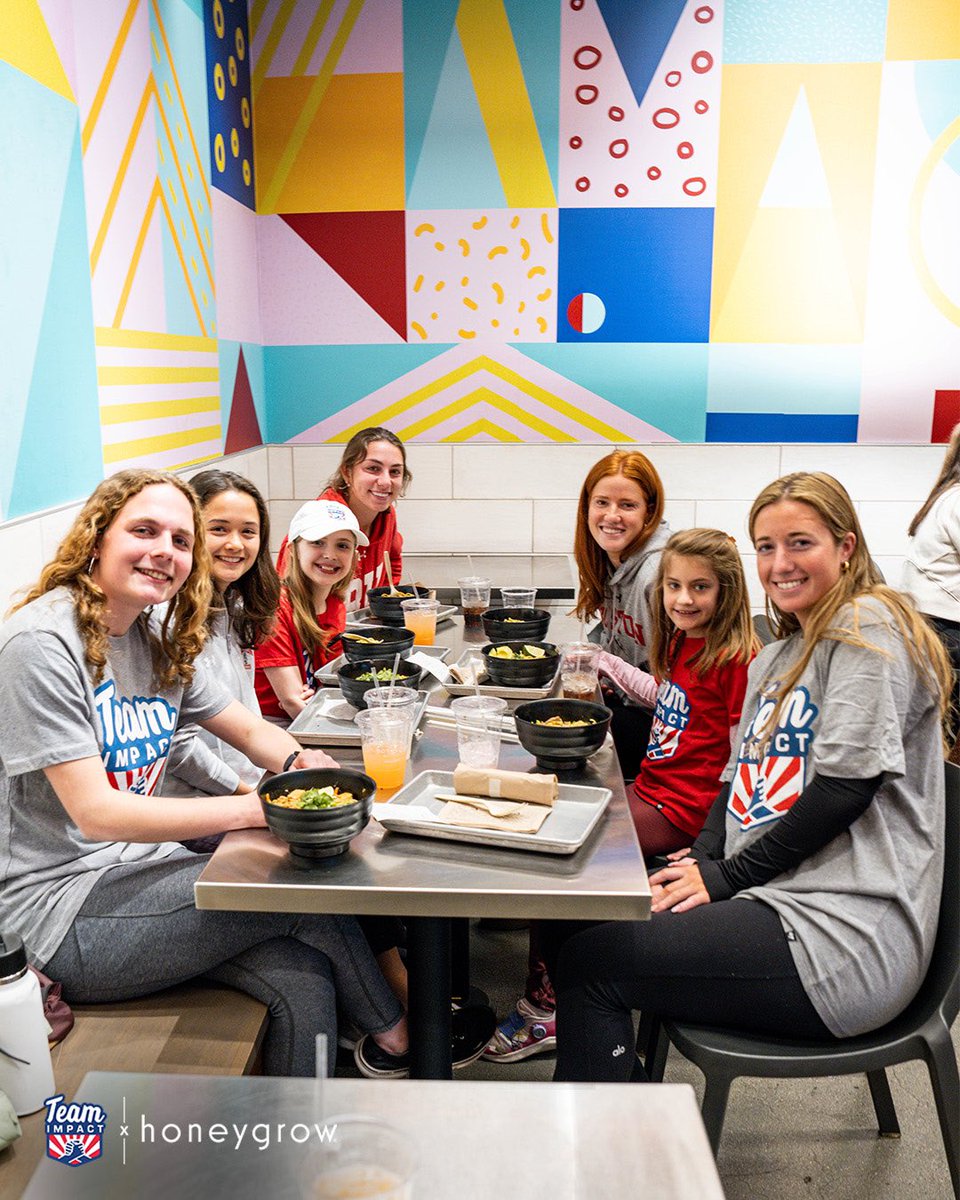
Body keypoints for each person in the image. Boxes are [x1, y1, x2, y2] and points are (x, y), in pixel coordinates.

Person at [0, 469, 408, 1076]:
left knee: (304, 975)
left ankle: (296, 1150)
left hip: (137, 876)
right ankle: (407, 1039)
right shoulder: (41, 643)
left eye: (180, 540)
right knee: (302, 895)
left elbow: (246, 729)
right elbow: (99, 812)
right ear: (97, 537)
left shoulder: (151, 636)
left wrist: (306, 768)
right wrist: (261, 808)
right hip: (59, 914)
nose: (165, 551)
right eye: (144, 530)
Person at [553, 471, 952, 1082]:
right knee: (579, 911)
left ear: (846, 547)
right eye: (766, 546)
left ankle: (605, 1149)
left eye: (800, 542)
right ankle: (624, 1103)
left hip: (841, 936)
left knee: (590, 962)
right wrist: (705, 859)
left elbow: (847, 787)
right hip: (776, 897)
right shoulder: (778, 655)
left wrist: (725, 876)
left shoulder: (868, 628)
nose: (779, 562)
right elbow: (735, 781)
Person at [483, 528, 756, 1064]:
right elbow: (667, 698)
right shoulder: (683, 639)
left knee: (560, 849)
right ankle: (554, 987)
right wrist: (608, 665)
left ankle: (550, 1008)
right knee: (555, 820)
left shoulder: (738, 659)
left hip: (681, 811)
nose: (682, 598)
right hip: (653, 789)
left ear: (728, 590)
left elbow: (742, 758)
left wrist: (709, 845)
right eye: (674, 585)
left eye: (700, 588)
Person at [161, 469, 279, 799]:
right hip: (193, 805)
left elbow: (246, 718)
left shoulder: (238, 606)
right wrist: (246, 798)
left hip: (248, 784)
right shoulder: (165, 619)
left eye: (248, 532)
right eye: (219, 530)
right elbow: (177, 746)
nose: (235, 544)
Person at [573, 449, 672, 783]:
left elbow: (674, 693)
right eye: (602, 502)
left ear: (650, 512)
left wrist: (608, 667)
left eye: (627, 505)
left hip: (670, 736)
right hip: (637, 712)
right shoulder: (610, 561)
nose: (611, 515)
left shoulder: (657, 575)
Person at [255, 499, 365, 724]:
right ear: (293, 550)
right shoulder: (274, 609)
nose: (330, 554)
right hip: (272, 724)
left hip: (315, 710)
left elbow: (331, 681)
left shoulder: (335, 604)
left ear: (354, 556)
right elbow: (292, 701)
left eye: (342, 545)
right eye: (317, 542)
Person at [277, 428, 410, 611]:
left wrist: (383, 608)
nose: (386, 481)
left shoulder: (387, 515)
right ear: (347, 472)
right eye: (373, 468)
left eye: (395, 471)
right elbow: (284, 599)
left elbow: (392, 561)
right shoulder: (317, 522)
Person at [902, 423, 960, 742]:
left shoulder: (945, 497)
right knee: (939, 736)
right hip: (944, 632)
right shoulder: (957, 500)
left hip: (930, 629)